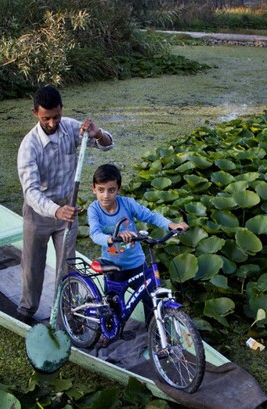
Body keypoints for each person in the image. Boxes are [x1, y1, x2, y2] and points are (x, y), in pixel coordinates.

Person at [16, 85, 113, 323]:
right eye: (46, 118)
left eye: (56, 116)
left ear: (62, 111)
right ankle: (26, 311)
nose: (52, 122)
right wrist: (55, 210)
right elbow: (30, 192)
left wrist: (97, 133)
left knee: (68, 267)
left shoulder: (70, 127)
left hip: (67, 210)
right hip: (38, 213)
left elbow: (108, 144)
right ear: (35, 114)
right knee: (32, 267)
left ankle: (69, 314)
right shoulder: (28, 147)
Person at [87, 163, 188, 323]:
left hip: (137, 264)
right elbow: (95, 234)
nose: (106, 195)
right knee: (113, 307)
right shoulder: (94, 209)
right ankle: (106, 334)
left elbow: (151, 216)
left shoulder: (127, 203)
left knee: (151, 300)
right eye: (101, 190)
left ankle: (154, 333)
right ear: (94, 188)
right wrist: (112, 238)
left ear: (118, 189)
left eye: (111, 190)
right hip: (114, 266)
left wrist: (172, 225)